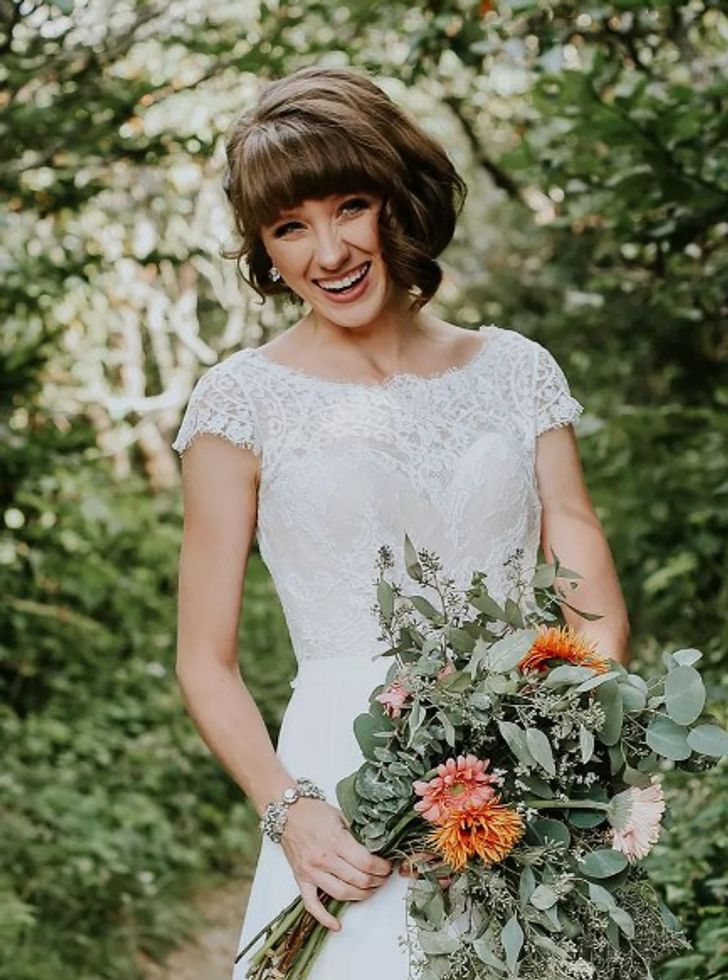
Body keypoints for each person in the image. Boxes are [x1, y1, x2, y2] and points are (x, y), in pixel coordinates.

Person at [171, 65, 631, 979]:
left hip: (520, 772)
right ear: (265, 247)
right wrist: (289, 813)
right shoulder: (240, 404)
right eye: (289, 227)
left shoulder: (516, 371)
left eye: (350, 206)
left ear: (400, 199)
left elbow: (588, 588)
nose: (328, 252)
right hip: (343, 792)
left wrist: (556, 739)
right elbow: (203, 659)